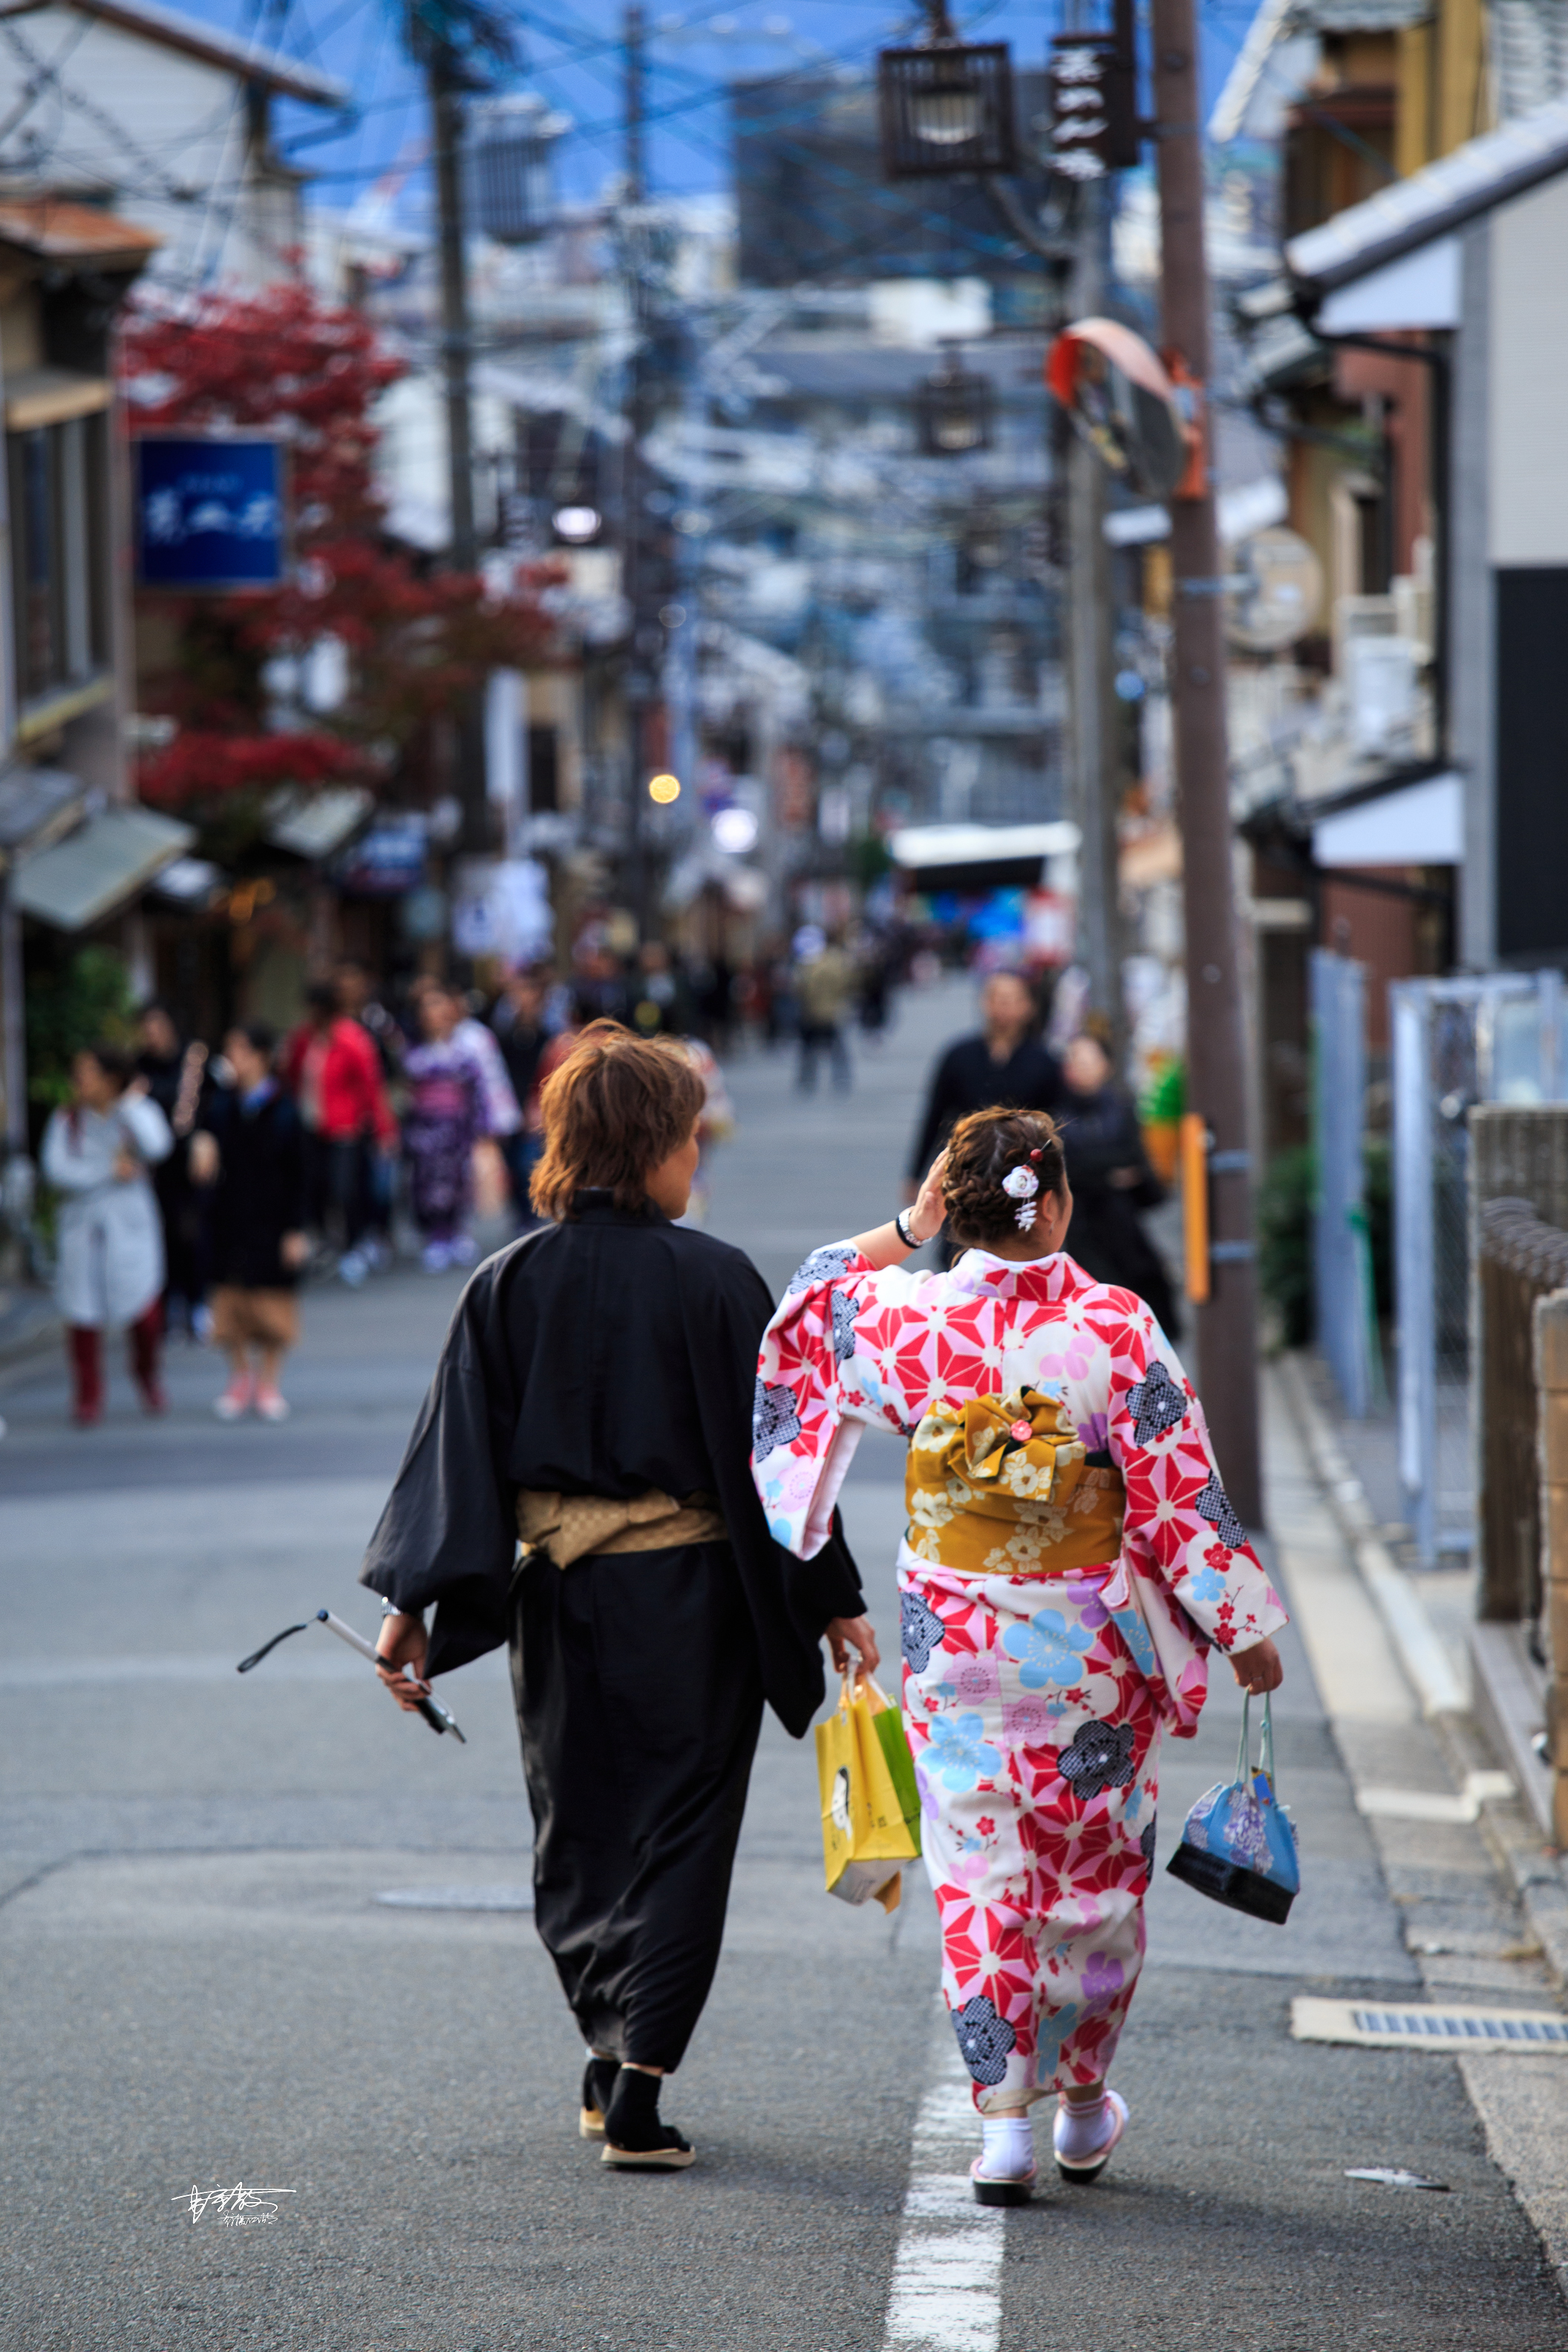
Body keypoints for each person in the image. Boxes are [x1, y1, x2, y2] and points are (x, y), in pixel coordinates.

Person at [753, 1105, 1286, 2206]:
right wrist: (1244, 1629)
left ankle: (1001, 2128)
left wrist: (908, 1228)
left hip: (958, 1650)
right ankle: (1084, 2104)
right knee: (1096, 1884)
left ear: (957, 1206)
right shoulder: (1113, 1327)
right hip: (1089, 1656)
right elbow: (1181, 1497)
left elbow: (809, 1298)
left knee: (983, 1882)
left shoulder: (908, 1321)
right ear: (1065, 1205)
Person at [362, 1022, 869, 2170]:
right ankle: (638, 2078)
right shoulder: (716, 1278)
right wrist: (833, 1598)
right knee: (686, 1830)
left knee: (580, 1829)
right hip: (695, 1599)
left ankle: (610, 2048)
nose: (699, 1160)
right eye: (690, 1140)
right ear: (649, 1147)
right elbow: (783, 1464)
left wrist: (410, 1607)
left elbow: (452, 1457)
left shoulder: (504, 1284)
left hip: (557, 1598)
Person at [41, 1045, 173, 1425]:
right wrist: (107, 1172)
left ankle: (147, 1374)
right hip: (82, 1227)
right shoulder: (67, 1119)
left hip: (129, 1226)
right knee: (82, 1311)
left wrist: (129, 1105)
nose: (79, 1081)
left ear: (111, 1079)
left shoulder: (134, 1113)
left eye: (88, 1072)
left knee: (144, 1308)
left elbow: (158, 1146)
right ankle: (88, 1392)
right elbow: (57, 1171)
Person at [190, 1023, 310, 1423]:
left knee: (274, 1304)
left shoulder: (286, 1108)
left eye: (240, 1051)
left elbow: (301, 1175)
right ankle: (241, 1376)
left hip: (273, 1221)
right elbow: (202, 1152)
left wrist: (296, 1228)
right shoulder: (220, 1106)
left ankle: (269, 1381)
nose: (233, 1060)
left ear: (260, 1056)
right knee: (230, 1300)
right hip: (229, 1218)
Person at [1057, 1032, 1180, 1341]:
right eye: (1075, 1062)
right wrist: (1108, 1174)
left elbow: (1135, 1162)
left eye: (1089, 1061)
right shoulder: (1056, 1115)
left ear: (1106, 1066)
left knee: (1143, 1291)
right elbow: (1067, 1168)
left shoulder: (1121, 1108)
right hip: (1081, 1225)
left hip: (1122, 1221)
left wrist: (1100, 1170)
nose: (1081, 1068)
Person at [281, 981, 398, 1285]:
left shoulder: (352, 1038)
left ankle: (355, 1245)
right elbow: (291, 1074)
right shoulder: (304, 1039)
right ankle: (326, 1244)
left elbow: (372, 1085)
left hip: (345, 1128)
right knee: (314, 1188)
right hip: (311, 1126)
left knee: (345, 1189)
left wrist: (383, 1128)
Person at [906, 971, 1062, 1193]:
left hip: (1024, 1177)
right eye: (996, 998)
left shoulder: (1045, 1062)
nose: (1003, 1007)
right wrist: (916, 1174)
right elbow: (935, 1115)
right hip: (966, 1173)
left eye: (1011, 1000)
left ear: (1028, 1006)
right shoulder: (958, 1056)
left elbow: (1056, 1124)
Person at [401, 981, 487, 1270]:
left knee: (459, 1179)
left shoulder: (465, 1048)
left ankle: (458, 1233)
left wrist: (482, 1126)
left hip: (458, 1127)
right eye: (427, 1006)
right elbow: (404, 1091)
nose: (433, 1012)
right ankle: (436, 1236)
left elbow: (477, 1090)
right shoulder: (412, 1050)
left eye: (439, 1005)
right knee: (427, 1183)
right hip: (425, 1128)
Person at [135, 1002, 209, 1338]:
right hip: (151, 1165)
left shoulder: (194, 1059)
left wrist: (204, 1140)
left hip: (188, 1158)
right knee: (159, 1236)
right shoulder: (138, 1068)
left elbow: (205, 1105)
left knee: (190, 1232)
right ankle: (167, 1306)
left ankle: (197, 1302)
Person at [794, 927, 855, 1094]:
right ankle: (840, 1077)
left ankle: (808, 1079)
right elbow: (846, 984)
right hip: (832, 1011)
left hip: (815, 1012)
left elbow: (802, 988)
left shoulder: (808, 963)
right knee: (835, 1049)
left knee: (810, 1049)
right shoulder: (836, 961)